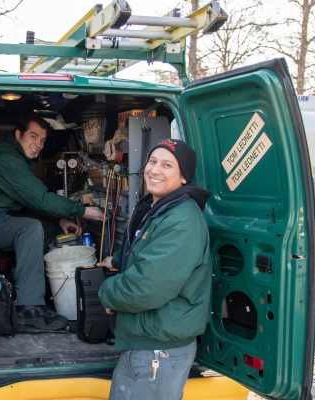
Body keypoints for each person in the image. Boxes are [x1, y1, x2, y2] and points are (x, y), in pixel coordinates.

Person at [0, 115, 104, 330]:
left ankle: (47, 295)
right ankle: (29, 307)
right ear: (18, 135)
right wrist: (83, 211)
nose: (38, 144)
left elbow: (27, 199)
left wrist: (60, 219)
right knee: (30, 228)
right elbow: (39, 198)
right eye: (33, 136)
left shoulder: (11, 157)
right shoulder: (5, 158)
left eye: (43, 140)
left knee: (48, 229)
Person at [97, 138, 212, 400]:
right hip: (148, 343)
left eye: (167, 165)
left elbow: (146, 287)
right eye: (152, 161)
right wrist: (115, 261)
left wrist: (106, 292)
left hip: (158, 353)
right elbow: (147, 250)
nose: (154, 170)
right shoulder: (162, 208)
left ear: (184, 177)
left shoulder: (182, 220)